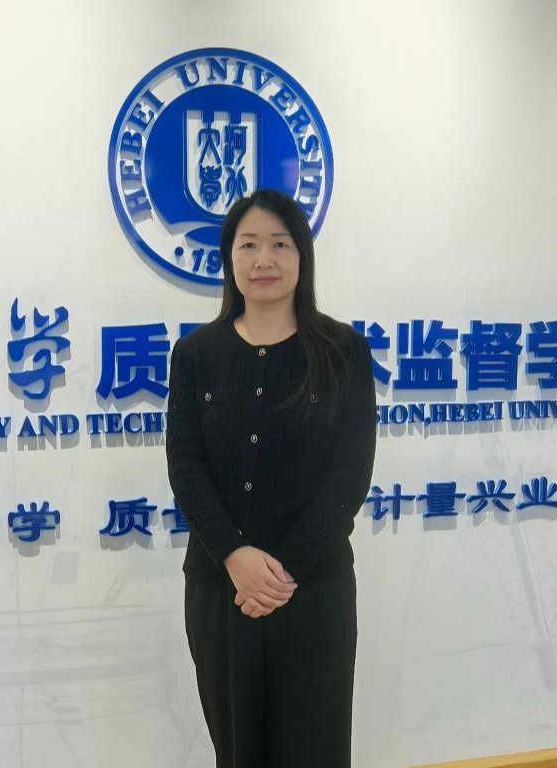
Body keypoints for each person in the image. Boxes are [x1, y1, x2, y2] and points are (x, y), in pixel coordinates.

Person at [166, 188, 377, 767]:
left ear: (302, 256)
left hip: (313, 591)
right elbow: (185, 465)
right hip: (221, 589)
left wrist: (283, 572)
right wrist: (235, 556)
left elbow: (350, 474)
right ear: (229, 258)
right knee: (238, 751)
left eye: (280, 245)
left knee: (315, 750)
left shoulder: (343, 350)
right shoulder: (196, 353)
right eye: (249, 245)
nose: (264, 260)